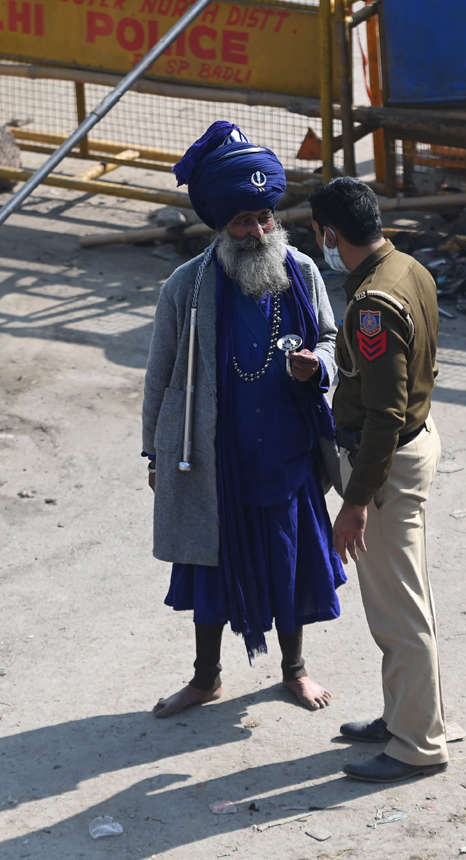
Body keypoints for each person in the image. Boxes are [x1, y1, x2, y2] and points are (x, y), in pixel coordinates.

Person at [142, 122, 345, 718]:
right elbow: (159, 376)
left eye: (264, 218)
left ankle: (294, 670)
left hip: (286, 452)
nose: (256, 231)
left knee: (290, 561)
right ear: (218, 223)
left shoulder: (301, 272)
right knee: (211, 567)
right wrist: (155, 454)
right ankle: (206, 678)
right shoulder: (188, 285)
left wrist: (320, 364)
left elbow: (334, 339)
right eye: (242, 221)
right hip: (213, 455)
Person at [310, 177, 448, 782]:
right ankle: (410, 716)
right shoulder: (409, 268)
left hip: (386, 464)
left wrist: (357, 501)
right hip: (413, 445)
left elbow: (385, 412)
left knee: (398, 611)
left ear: (331, 234)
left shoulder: (372, 304)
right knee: (409, 598)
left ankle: (418, 744)